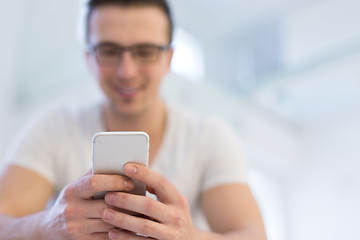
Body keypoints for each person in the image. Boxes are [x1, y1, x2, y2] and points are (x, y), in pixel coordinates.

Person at [0, 0, 267, 239]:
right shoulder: (53, 128)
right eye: (109, 50)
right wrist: (46, 225)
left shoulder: (209, 136)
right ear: (89, 58)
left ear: (168, 58)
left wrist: (189, 237)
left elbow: (253, 235)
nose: (126, 71)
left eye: (145, 51)